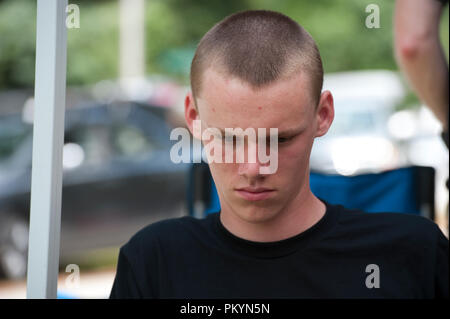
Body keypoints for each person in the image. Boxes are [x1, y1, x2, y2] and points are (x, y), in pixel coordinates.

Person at [110, 10, 449, 298]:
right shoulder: (154, 262)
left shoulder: (412, 252)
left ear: (323, 115)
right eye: (230, 138)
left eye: (280, 139)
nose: (255, 167)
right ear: (194, 119)